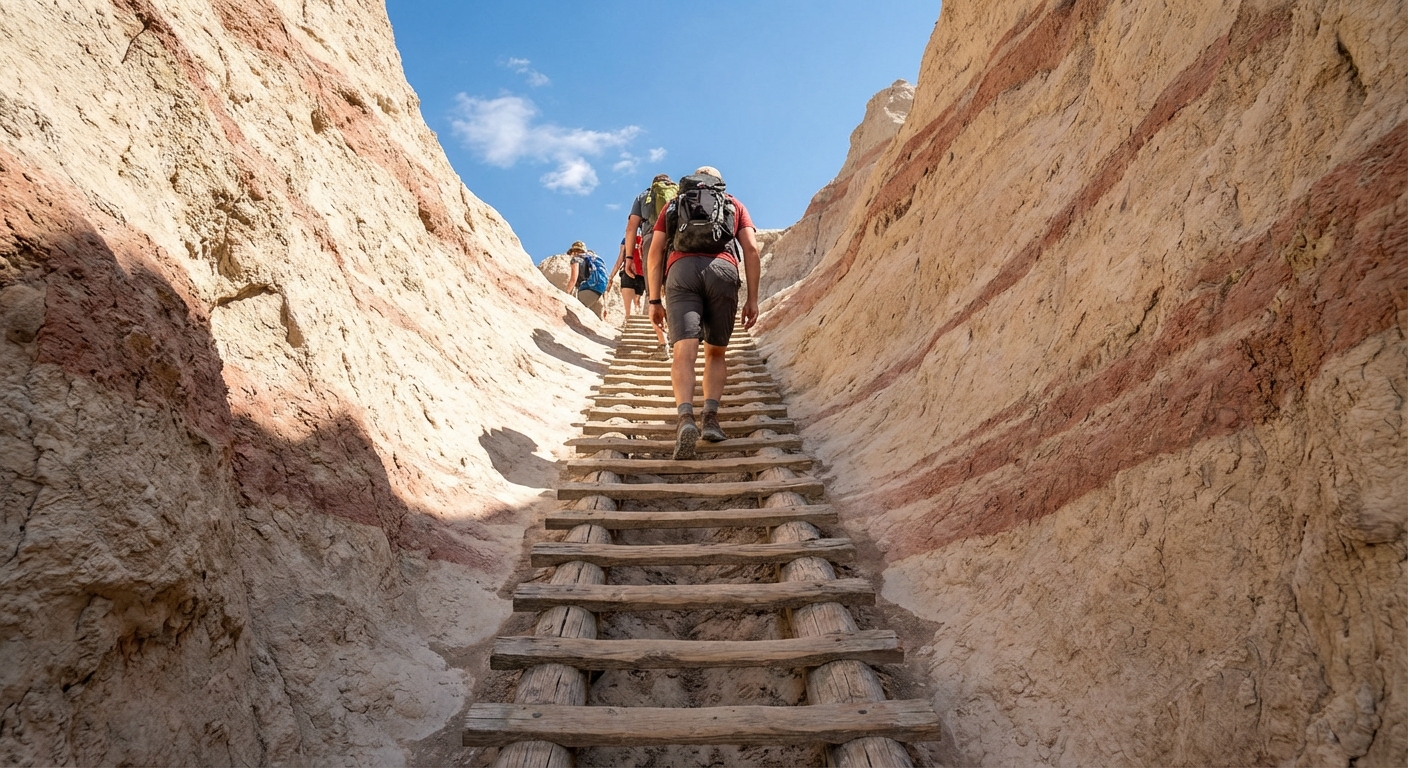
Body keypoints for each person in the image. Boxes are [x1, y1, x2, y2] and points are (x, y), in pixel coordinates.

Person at [646, 166, 761, 459]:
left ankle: (685, 418)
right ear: (719, 183)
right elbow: (751, 250)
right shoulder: (734, 204)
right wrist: (753, 299)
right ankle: (710, 417)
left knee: (684, 352)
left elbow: (655, 251)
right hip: (722, 271)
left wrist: (654, 300)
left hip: (681, 271)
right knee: (716, 353)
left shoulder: (674, 203)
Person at [625, 175, 674, 358]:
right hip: (676, 243)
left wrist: (629, 257)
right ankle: (680, 339)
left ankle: (663, 345)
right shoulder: (679, 193)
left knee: (654, 296)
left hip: (651, 241)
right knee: (676, 292)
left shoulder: (643, 196)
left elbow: (631, 227)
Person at [564, 241, 607, 319]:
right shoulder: (592, 261)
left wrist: (566, 294)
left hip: (587, 288)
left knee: (574, 312)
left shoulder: (576, 259)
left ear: (574, 252)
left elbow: (574, 278)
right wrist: (605, 306)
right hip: (598, 291)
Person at [607, 235, 645, 320]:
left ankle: (627, 320)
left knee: (628, 304)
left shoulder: (626, 240)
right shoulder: (643, 240)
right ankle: (636, 321)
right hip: (641, 274)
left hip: (628, 272)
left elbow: (620, 259)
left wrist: (611, 276)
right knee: (637, 301)